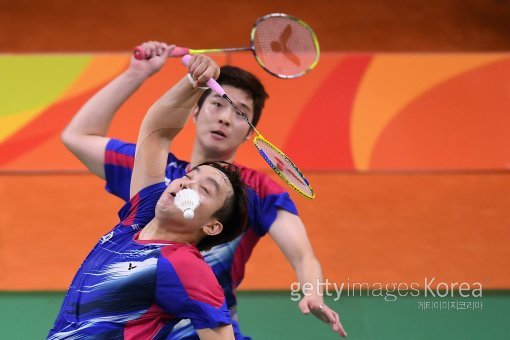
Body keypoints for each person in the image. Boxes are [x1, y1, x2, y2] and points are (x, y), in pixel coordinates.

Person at [61, 41, 347, 338]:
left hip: (208, 328)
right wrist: (138, 73)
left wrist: (313, 293)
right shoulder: (158, 179)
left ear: (249, 132)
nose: (224, 117)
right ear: (195, 111)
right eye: (218, 103)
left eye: (240, 113)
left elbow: (303, 255)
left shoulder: (256, 190)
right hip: (141, 327)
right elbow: (79, 136)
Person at [49, 55, 247, 339]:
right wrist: (193, 82)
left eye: (203, 190)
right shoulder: (140, 217)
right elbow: (157, 134)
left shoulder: (184, 265)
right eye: (189, 177)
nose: (185, 185)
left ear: (212, 226)